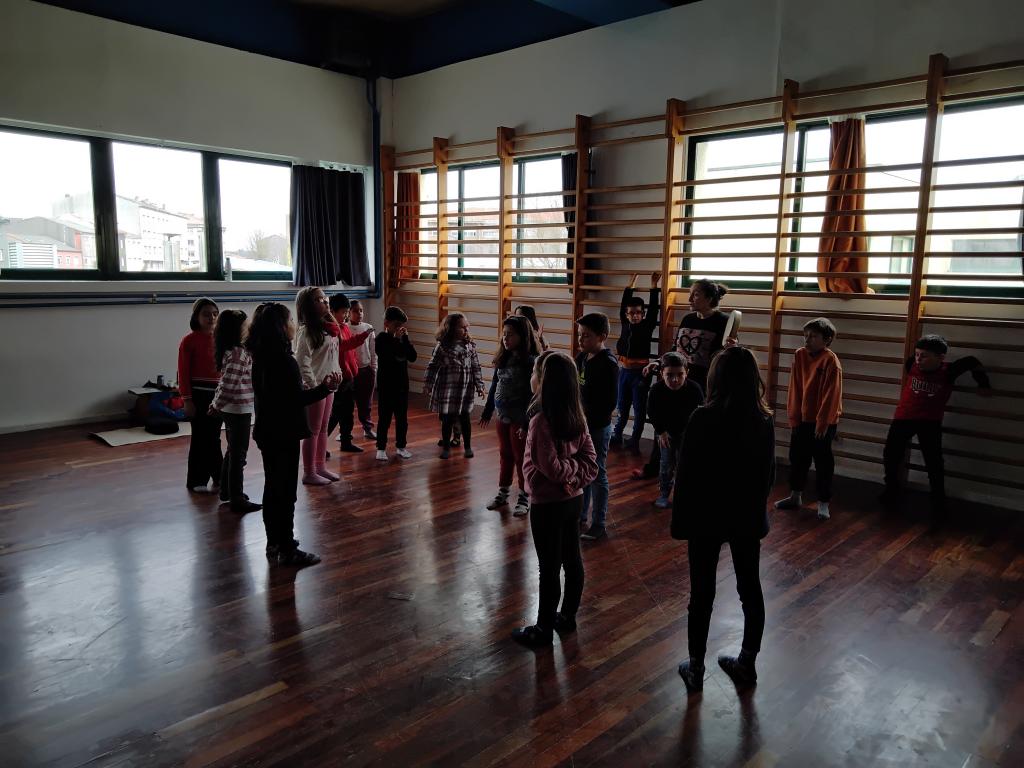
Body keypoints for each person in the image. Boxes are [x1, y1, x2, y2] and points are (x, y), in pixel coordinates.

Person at [672, 345, 775, 694]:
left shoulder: (703, 417)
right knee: (750, 591)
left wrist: (681, 523)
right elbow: (768, 475)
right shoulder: (762, 419)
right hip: (745, 515)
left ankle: (696, 667)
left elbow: (686, 476)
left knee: (701, 594)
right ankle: (747, 661)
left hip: (706, 516)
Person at [512, 351, 598, 648]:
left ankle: (543, 629)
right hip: (572, 499)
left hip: (548, 504)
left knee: (550, 567)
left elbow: (552, 467)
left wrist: (569, 476)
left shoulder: (541, 421)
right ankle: (567, 617)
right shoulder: (577, 416)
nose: (531, 377)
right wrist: (575, 478)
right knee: (571, 561)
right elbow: (586, 464)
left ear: (543, 380)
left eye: (535, 372)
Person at [247, 302, 340, 568]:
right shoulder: (284, 362)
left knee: (272, 488)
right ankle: (287, 548)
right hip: (283, 432)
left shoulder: (261, 356)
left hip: (267, 431)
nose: (292, 325)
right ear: (280, 327)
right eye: (289, 321)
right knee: (286, 492)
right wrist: (325, 388)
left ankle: (274, 542)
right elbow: (295, 399)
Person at [881, 334, 991, 524]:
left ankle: (938, 500)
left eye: (924, 356)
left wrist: (983, 383)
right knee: (891, 454)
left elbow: (972, 361)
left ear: (940, 357)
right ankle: (891, 490)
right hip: (904, 418)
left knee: (934, 462)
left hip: (929, 422)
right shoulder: (911, 364)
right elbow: (915, 360)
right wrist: (918, 356)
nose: (918, 359)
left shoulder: (949, 371)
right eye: (917, 354)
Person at [636, 279, 737, 480]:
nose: (690, 298)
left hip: (699, 385)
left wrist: (732, 348)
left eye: (696, 294)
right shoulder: (688, 319)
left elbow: (726, 357)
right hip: (675, 381)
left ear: (709, 298)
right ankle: (655, 467)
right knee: (663, 425)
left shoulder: (723, 321)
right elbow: (677, 350)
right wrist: (659, 362)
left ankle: (689, 475)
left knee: (691, 432)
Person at [775, 318, 843, 521]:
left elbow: (831, 395)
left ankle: (823, 502)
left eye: (813, 336)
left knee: (823, 462)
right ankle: (795, 496)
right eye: (805, 336)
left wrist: (823, 423)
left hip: (824, 421)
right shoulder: (800, 354)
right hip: (802, 419)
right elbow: (795, 388)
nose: (807, 340)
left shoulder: (830, 361)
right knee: (797, 458)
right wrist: (794, 417)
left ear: (827, 339)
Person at [480, 315, 540, 516]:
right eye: (504, 334)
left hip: (519, 419)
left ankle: (524, 496)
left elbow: (533, 396)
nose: (506, 338)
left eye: (511, 335)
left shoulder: (530, 362)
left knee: (521, 457)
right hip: (502, 415)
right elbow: (494, 385)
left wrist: (526, 423)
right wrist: (488, 409)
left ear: (523, 336)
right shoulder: (503, 358)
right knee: (505, 454)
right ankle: (503, 492)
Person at [209, 309, 261, 513]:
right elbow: (229, 385)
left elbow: (224, 383)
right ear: (236, 329)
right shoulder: (238, 353)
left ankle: (227, 491)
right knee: (239, 454)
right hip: (238, 409)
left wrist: (216, 403)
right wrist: (216, 405)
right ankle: (237, 498)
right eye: (245, 325)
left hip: (234, 408)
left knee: (233, 451)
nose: (249, 328)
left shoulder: (234, 350)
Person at [574, 312, 619, 541]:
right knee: (583, 472)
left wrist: (587, 418)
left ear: (602, 337)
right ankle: (581, 515)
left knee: (597, 474)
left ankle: (599, 523)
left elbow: (609, 403)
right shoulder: (582, 357)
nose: (581, 340)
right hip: (582, 425)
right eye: (580, 335)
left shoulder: (608, 364)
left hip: (598, 428)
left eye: (586, 336)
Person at [293, 287, 343, 485]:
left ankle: (320, 467)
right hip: (316, 387)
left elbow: (332, 356)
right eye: (318, 300)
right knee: (313, 430)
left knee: (323, 428)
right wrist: (315, 387)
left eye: (324, 298)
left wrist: (337, 375)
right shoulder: (306, 331)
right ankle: (309, 472)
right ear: (307, 306)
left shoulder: (329, 327)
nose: (325, 302)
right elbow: (302, 362)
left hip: (329, 385)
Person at [646, 352, 704, 509]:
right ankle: (664, 494)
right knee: (666, 465)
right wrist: (661, 431)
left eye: (680, 375)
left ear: (687, 373)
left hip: (688, 433)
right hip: (666, 433)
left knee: (686, 465)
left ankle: (685, 495)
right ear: (661, 373)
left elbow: (700, 412)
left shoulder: (695, 389)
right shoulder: (656, 390)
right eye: (669, 375)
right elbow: (652, 412)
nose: (675, 380)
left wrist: (695, 434)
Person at [611, 272, 661, 454]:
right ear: (626, 315)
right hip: (624, 371)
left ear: (643, 314)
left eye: (638, 313)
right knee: (622, 406)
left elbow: (654, 308)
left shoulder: (647, 325)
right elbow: (624, 304)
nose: (635, 316)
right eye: (631, 313)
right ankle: (617, 434)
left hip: (641, 373)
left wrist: (654, 286)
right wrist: (630, 285)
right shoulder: (625, 323)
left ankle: (635, 439)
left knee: (639, 408)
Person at [424, 312, 485, 459]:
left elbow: (476, 367)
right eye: (462, 327)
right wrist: (428, 384)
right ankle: (446, 447)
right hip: (448, 388)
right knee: (447, 419)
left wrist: (480, 385)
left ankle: (468, 447)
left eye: (467, 327)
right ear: (451, 328)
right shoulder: (442, 347)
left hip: (464, 390)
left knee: (465, 418)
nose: (466, 330)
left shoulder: (469, 346)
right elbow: (432, 366)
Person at [178, 297, 223, 493]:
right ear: (196, 317)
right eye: (206, 314)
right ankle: (197, 480)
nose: (211, 318)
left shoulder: (220, 339)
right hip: (198, 396)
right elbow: (183, 373)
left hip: (218, 395)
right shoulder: (189, 341)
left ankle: (219, 476)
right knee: (200, 438)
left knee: (214, 437)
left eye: (215, 314)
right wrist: (187, 400)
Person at [326, 293, 372, 454]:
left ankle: (346, 442)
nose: (346, 315)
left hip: (349, 377)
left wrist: (354, 370)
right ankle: (320, 446)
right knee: (335, 414)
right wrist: (363, 336)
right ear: (332, 311)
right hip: (339, 379)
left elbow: (350, 351)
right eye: (343, 312)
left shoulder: (344, 327)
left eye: (347, 312)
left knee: (347, 413)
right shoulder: (332, 330)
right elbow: (345, 346)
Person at [374, 306, 417, 461]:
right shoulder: (381, 339)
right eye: (396, 325)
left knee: (402, 419)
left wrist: (405, 339)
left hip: (402, 386)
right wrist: (397, 340)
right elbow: (388, 355)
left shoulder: (402, 339)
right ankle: (381, 448)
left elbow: (412, 357)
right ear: (387, 323)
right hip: (386, 386)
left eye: (401, 325)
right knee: (384, 418)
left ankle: (401, 446)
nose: (399, 328)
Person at [348, 299, 377, 440]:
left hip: (366, 370)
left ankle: (367, 428)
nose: (359, 313)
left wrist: (374, 368)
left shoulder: (368, 328)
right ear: (348, 313)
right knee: (347, 404)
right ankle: (345, 432)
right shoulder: (344, 328)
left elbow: (373, 350)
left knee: (366, 403)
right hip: (349, 371)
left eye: (361, 310)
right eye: (355, 311)